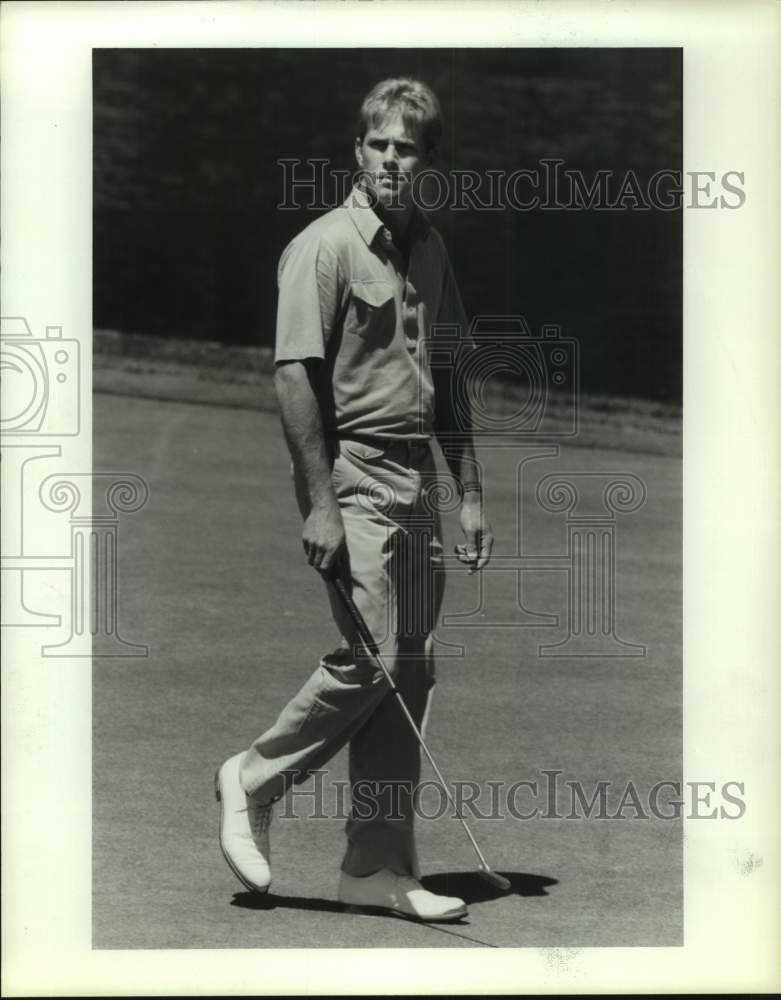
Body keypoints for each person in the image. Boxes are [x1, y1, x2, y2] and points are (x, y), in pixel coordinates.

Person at [216, 77, 493, 923]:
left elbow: (445, 378)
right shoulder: (323, 247)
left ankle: (375, 868)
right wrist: (320, 502)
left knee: (408, 671)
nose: (390, 161)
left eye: (406, 149)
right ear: (357, 151)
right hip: (357, 477)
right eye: (378, 145)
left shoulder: (433, 251)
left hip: (418, 487)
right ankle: (253, 778)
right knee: (372, 654)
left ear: (426, 161)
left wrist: (469, 492)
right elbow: (293, 374)